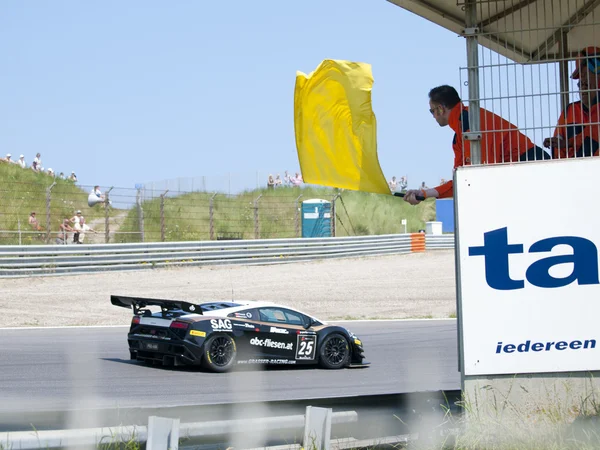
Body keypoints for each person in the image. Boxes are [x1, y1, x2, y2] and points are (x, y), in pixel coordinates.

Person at [404, 85, 550, 205]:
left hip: (531, 168)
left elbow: (481, 172)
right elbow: (462, 179)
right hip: (531, 167)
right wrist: (424, 194)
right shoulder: (464, 127)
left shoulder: (469, 125)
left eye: (432, 111)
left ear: (441, 109)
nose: (434, 116)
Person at [543, 46, 599, 159]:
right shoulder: (569, 112)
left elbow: (593, 134)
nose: (582, 82)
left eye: (586, 74)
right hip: (575, 172)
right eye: (580, 80)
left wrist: (568, 143)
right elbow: (557, 150)